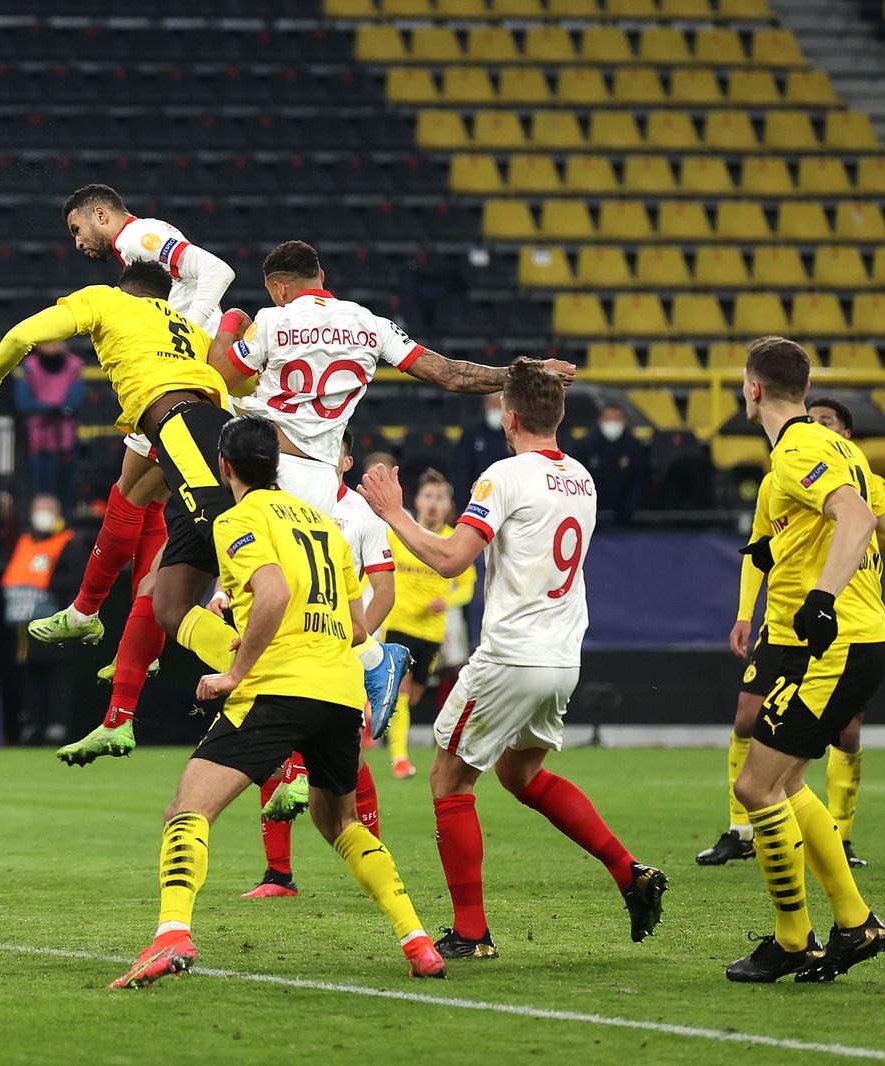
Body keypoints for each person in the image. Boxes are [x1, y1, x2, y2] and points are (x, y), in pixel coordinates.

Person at [207, 240, 578, 792]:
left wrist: (231, 321)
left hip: (271, 467)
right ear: (322, 276)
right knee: (305, 603)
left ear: (279, 287)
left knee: (250, 586)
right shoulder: (368, 324)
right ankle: (358, 671)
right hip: (318, 475)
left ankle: (337, 683)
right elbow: (450, 374)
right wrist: (521, 374)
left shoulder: (270, 320)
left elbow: (221, 373)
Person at [110, 416, 444, 988]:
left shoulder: (237, 520)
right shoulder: (321, 523)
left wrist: (234, 671)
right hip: (338, 689)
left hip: (278, 686)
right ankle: (418, 942)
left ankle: (171, 934)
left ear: (224, 467)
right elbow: (359, 622)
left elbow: (275, 591)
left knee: (187, 809)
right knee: (339, 821)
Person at [359, 359, 667, 962]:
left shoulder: (503, 476)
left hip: (510, 657)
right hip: (562, 656)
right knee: (519, 775)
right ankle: (629, 873)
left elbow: (450, 559)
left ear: (510, 416)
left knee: (448, 779)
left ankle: (471, 934)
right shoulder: (582, 477)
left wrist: (393, 513)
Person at [36, 184, 235, 765]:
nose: (78, 243)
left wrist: (180, 331)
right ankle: (104, 638)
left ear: (101, 214)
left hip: (183, 383)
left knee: (218, 534)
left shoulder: (137, 235)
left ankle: (357, 662)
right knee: (135, 501)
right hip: (181, 382)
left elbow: (217, 272)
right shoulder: (134, 255)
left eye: (77, 230)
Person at [722, 339, 885, 983]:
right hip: (861, 637)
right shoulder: (844, 448)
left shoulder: (796, 449)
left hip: (838, 640)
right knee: (788, 783)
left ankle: (793, 940)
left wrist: (822, 594)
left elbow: (853, 517)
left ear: (753, 390)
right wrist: (797, 549)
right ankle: (855, 923)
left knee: (755, 786)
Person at [697, 395, 885, 871]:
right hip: (789, 629)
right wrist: (746, 611)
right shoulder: (780, 479)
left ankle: (838, 848)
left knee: (786, 772)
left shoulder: (831, 470)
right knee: (764, 750)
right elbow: (760, 551)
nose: (816, 427)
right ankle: (745, 834)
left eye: (826, 422)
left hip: (833, 631)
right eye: (811, 419)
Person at [244, 430, 397, 899]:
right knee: (273, 747)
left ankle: (372, 852)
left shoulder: (362, 514)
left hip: (341, 651)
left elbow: (385, 591)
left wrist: (356, 644)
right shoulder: (283, 506)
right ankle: (278, 875)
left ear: (345, 460)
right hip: (288, 642)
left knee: (340, 755)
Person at [382, 470, 476, 780]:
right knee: (403, 692)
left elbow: (467, 587)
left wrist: (446, 602)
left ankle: (373, 706)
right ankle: (399, 758)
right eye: (429, 496)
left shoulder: (454, 540)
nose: (434, 504)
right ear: (418, 501)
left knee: (415, 694)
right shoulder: (398, 535)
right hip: (399, 625)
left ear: (449, 505)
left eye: (440, 497)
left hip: (432, 632)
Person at [1, 494, 89, 743]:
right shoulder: (25, 541)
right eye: (38, 509)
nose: (41, 515)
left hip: (56, 621)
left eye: (47, 510)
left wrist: (49, 588)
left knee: (57, 673)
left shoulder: (69, 543)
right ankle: (32, 723)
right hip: (24, 624)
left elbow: (77, 580)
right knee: (28, 674)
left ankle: (56, 724)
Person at [13, 341, 85, 512]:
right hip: (37, 439)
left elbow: (74, 402)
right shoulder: (29, 365)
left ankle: (64, 529)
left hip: (65, 440)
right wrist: (56, 408)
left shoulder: (74, 364)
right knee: (39, 489)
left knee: (65, 491)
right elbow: (22, 402)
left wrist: (43, 408)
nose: (52, 346)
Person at [572, 402, 648, 525]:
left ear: (625, 421)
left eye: (617, 419)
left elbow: (638, 480)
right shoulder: (584, 445)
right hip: (591, 516)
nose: (612, 423)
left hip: (626, 518)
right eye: (608, 419)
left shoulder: (635, 447)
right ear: (599, 421)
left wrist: (628, 509)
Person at [453, 395, 511, 494]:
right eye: (492, 404)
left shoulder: (513, 433)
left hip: (506, 493)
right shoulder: (471, 432)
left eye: (499, 405)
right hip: (476, 494)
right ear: (485, 405)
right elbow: (462, 470)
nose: (496, 409)